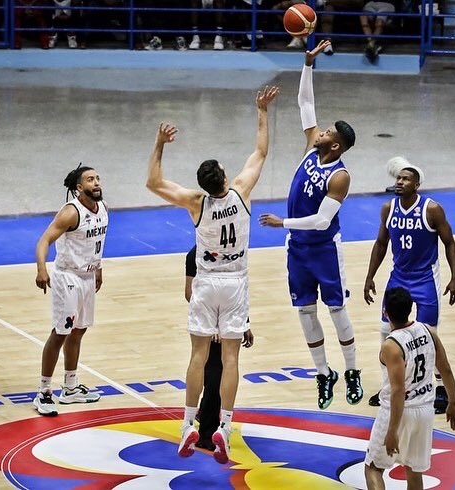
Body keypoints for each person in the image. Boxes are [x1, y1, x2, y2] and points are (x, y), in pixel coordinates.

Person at [146, 85, 279, 464]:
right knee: (232, 358)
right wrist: (261, 111)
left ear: (203, 185)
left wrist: (159, 144)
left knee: (199, 354)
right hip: (235, 282)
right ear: (223, 175)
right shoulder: (240, 191)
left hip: (205, 282)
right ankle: (225, 426)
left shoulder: (195, 203)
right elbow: (261, 152)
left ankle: (188, 424)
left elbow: (153, 183)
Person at [259, 40, 362, 411]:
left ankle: (351, 371)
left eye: (328, 131)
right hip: (297, 250)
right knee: (305, 313)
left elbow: (321, 222)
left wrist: (280, 222)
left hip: (322, 249)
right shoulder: (310, 149)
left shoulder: (340, 176)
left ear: (335, 146)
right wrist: (307, 64)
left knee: (336, 311)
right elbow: (305, 104)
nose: (320, 130)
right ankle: (324, 374)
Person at [363, 161, 455, 414]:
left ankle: (436, 387)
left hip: (425, 278)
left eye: (406, 179)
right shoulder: (388, 209)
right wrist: (370, 276)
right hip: (399, 276)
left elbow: (449, 243)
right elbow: (381, 243)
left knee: (429, 335)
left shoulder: (432, 209)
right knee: (386, 332)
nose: (400, 181)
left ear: (417, 185)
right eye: (398, 178)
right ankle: (389, 386)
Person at [364, 287, 455, 490]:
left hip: (398, 411)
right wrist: (453, 402)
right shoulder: (429, 332)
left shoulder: (391, 346)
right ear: (411, 309)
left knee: (373, 468)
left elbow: (398, 390)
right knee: (414, 473)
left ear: (385, 312)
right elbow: (445, 369)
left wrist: (392, 430)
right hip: (425, 410)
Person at [32, 164, 106, 416]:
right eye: (90, 179)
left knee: (79, 330)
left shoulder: (102, 208)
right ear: (78, 187)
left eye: (97, 178)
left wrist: (98, 268)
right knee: (60, 332)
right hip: (67, 277)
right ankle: (43, 392)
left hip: (87, 276)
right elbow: (44, 240)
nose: (96, 183)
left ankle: (71, 387)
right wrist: (42, 269)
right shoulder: (70, 213)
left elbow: (95, 243)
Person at [184, 245, 254, 451]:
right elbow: (190, 293)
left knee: (219, 379)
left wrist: (245, 323)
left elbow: (239, 294)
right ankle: (207, 435)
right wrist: (212, 324)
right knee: (213, 381)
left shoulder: (233, 253)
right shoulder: (194, 255)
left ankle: (205, 420)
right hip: (209, 326)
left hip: (226, 323)